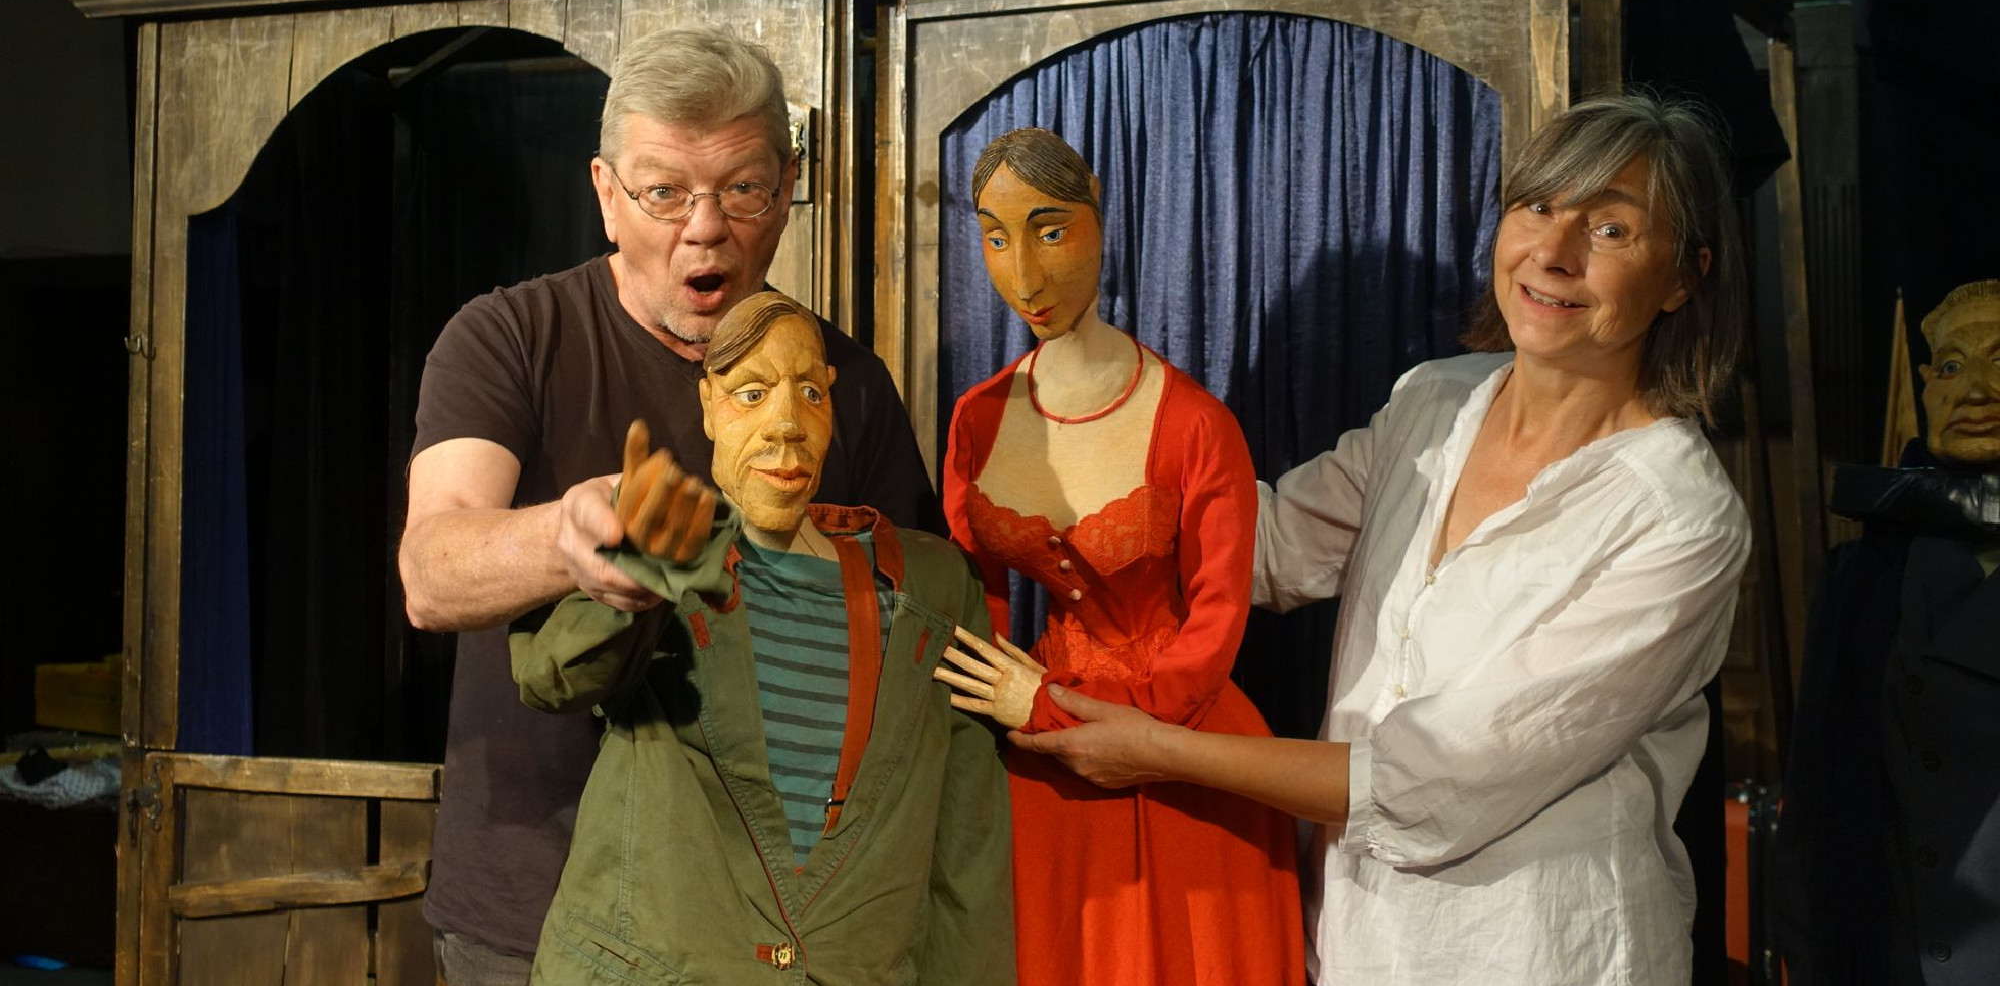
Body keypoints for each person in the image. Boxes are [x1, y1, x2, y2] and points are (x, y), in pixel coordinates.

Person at [960, 94, 1754, 984]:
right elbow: (1255, 547)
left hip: (1541, 954)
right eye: (1538, 206)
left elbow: (1440, 777)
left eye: (1610, 229)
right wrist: (1098, 422)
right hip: (1354, 943)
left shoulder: (1679, 517)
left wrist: (1156, 749)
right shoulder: (1434, 401)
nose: (1553, 252)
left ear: (1684, 277)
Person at [397, 28, 938, 982]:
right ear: (607, 195)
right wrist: (568, 538)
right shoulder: (510, 337)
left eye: (743, 188)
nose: (705, 228)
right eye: (665, 192)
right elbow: (430, 570)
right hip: (529, 914)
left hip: (767, 938)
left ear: (788, 190)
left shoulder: (845, 384)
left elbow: (915, 636)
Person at [509, 292, 1014, 985]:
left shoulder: (932, 587)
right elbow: (550, 676)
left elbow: (968, 856)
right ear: (709, 406)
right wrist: (637, 567)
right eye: (751, 394)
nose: (786, 425)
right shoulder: (671, 547)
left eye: (810, 393)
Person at [932, 127, 1305, 986]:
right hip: (1037, 768)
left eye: (1050, 231)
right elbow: (973, 610)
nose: (1025, 277)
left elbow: (1210, 636)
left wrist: (1049, 710)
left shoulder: (1195, 424)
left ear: (1097, 213)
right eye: (996, 238)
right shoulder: (977, 419)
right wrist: (1010, 717)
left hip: (1186, 756)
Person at [1776, 278, 2000, 985]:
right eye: (1953, 366)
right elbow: (1815, 795)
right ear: (1927, 390)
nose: (1975, 390)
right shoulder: (1863, 576)